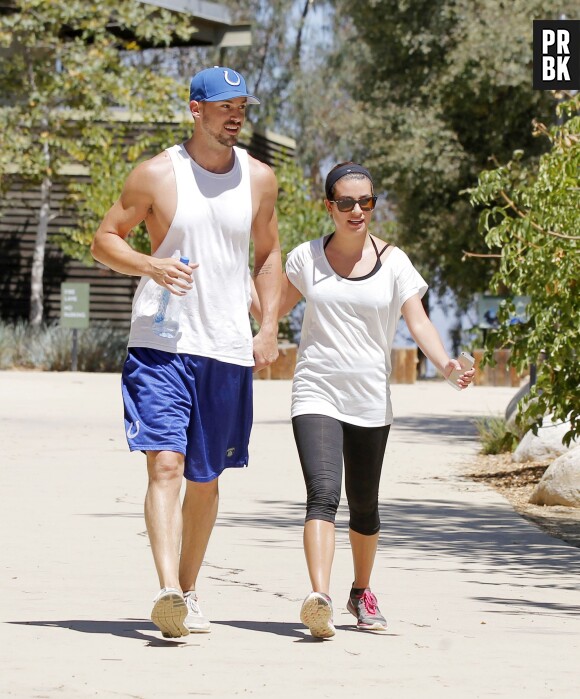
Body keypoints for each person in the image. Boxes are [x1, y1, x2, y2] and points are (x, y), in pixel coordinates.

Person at [91, 66, 281, 639]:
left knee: (206, 477)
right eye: (224, 106)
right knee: (166, 463)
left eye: (241, 105)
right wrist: (151, 264)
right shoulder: (156, 174)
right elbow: (104, 240)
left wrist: (269, 324)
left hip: (225, 346)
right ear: (195, 109)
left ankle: (190, 589)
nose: (235, 115)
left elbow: (269, 254)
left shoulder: (260, 178)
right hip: (161, 343)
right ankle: (167, 589)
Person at [252, 162, 474, 639]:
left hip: (371, 397)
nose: (357, 211)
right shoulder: (305, 258)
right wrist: (234, 287)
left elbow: (417, 322)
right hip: (316, 390)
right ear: (329, 206)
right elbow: (272, 307)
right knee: (323, 494)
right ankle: (320, 598)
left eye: (366, 202)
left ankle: (361, 590)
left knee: (365, 505)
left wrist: (446, 365)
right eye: (347, 202)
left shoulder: (395, 262)